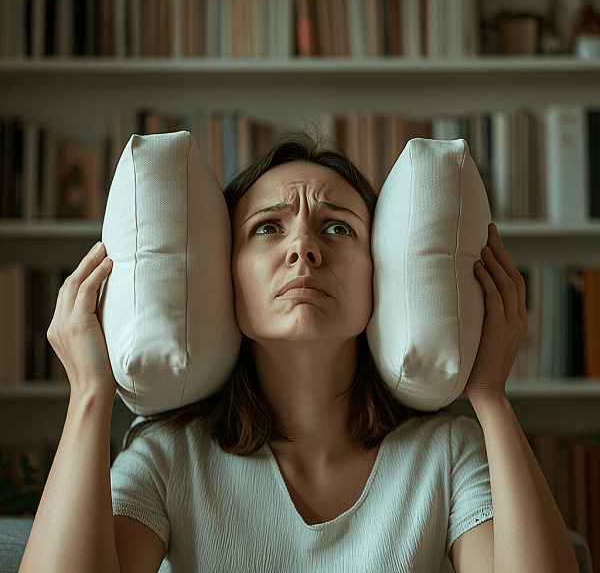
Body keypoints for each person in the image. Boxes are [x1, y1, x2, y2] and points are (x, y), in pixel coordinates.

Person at [18, 132, 579, 573]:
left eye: (338, 227)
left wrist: (489, 395)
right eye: (267, 228)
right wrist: (90, 397)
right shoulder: (169, 458)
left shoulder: (444, 456)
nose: (304, 248)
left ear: (379, 276)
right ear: (222, 274)